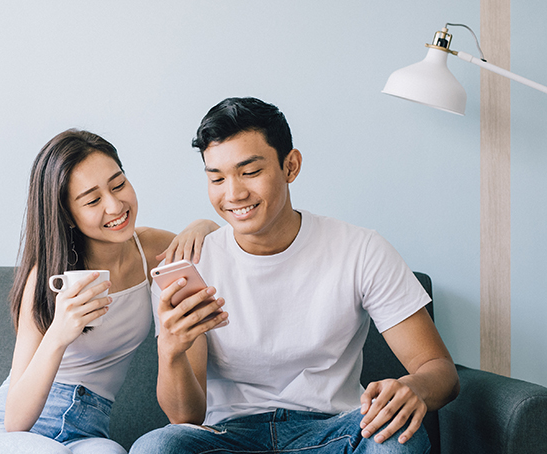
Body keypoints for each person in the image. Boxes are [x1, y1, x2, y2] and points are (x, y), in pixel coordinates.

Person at [130, 97, 460, 454]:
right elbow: (185, 417)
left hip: (336, 431)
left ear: (291, 166)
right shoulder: (192, 264)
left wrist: (416, 388)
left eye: (250, 172)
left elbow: (439, 369)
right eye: (217, 178)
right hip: (230, 438)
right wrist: (171, 350)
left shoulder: (360, 249)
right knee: (157, 447)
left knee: (396, 441)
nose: (234, 193)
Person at [0, 129, 217, 454]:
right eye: (93, 200)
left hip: (89, 430)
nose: (115, 205)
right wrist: (59, 334)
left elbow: (218, 243)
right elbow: (15, 420)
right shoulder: (48, 275)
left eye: (119, 184)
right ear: (68, 214)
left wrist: (203, 225)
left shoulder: (155, 249)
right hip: (12, 430)